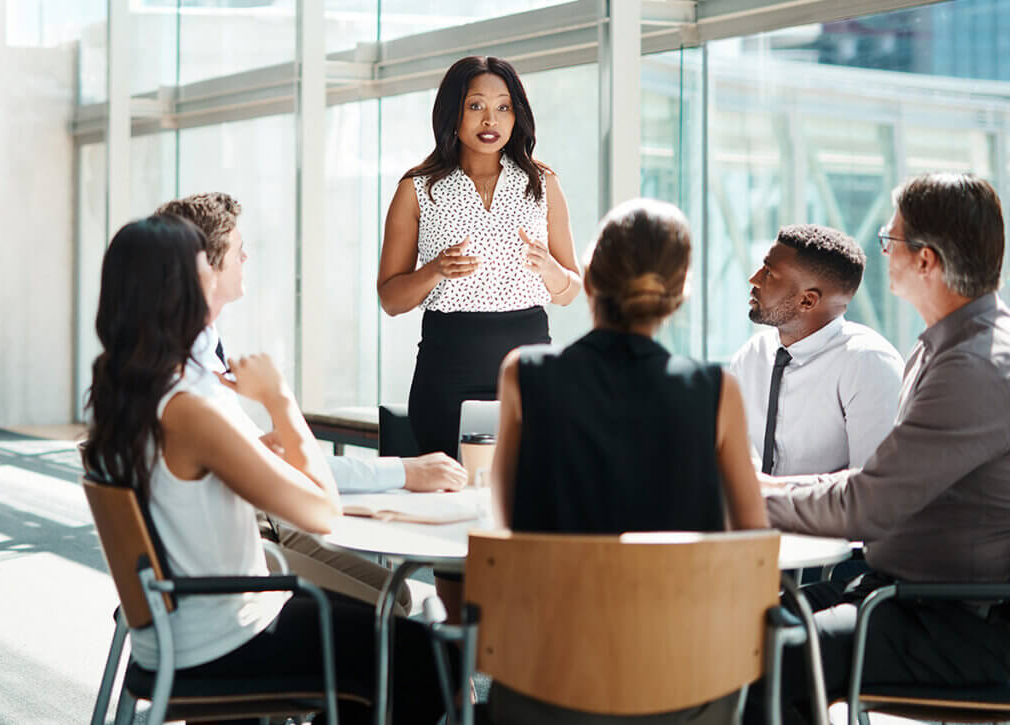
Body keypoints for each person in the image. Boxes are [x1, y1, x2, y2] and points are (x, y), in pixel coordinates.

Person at [82, 214, 452, 724]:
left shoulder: (126, 393)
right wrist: (281, 400)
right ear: (180, 291)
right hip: (225, 639)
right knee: (432, 659)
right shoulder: (188, 408)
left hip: (185, 631)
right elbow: (321, 512)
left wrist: (265, 445)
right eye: (203, 272)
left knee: (390, 649)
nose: (215, 280)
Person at [488, 198, 768, 723]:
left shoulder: (523, 374)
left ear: (588, 279)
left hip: (544, 683)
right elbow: (750, 546)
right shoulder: (715, 390)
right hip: (687, 686)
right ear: (678, 296)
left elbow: (505, 528)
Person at [751, 173, 1010, 724]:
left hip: (959, 622)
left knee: (761, 654)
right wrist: (769, 488)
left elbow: (869, 504)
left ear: (926, 262)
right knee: (747, 623)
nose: (883, 251)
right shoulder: (948, 347)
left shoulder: (973, 368)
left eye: (890, 240)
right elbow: (875, 483)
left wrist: (745, 501)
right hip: (908, 595)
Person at [157, 192, 466, 614]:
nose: (246, 255)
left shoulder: (194, 360)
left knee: (398, 594)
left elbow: (270, 464)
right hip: (234, 562)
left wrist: (264, 450)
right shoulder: (190, 386)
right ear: (203, 267)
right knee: (391, 612)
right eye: (235, 248)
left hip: (245, 531)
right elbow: (313, 500)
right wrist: (279, 398)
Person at [378, 55, 582, 461]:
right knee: (450, 487)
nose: (491, 120)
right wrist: (434, 270)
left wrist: (548, 268)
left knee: (528, 491)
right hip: (447, 370)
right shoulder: (418, 188)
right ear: (452, 112)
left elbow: (570, 290)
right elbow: (390, 299)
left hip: (529, 371)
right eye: (476, 106)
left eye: (503, 107)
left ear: (516, 114)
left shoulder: (543, 184)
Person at [730, 224, 903, 476]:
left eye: (769, 273)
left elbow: (873, 491)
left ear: (807, 300)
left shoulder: (868, 364)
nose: (754, 279)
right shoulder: (753, 355)